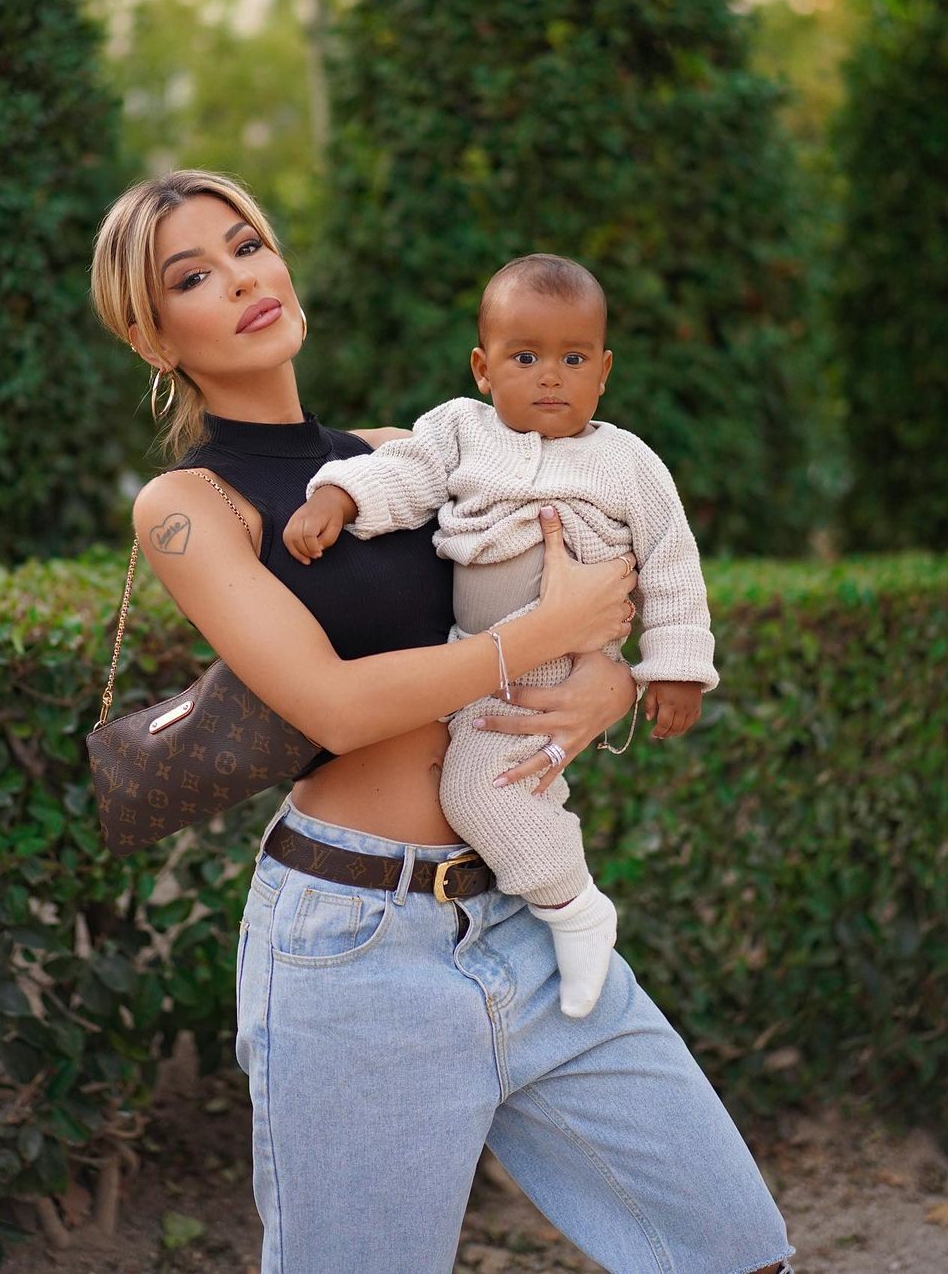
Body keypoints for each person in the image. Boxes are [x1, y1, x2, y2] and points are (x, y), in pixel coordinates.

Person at [90, 169, 795, 1274]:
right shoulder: (187, 506)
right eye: (193, 276)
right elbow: (330, 703)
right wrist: (540, 633)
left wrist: (611, 682)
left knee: (738, 1250)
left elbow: (571, 595)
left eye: (248, 246)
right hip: (354, 945)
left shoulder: (409, 450)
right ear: (151, 335)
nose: (242, 279)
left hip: (521, 909)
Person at [283, 254, 718, 1020]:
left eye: (573, 359)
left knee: (477, 790)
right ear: (483, 369)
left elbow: (671, 561)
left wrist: (676, 666)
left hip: (556, 676)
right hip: (471, 662)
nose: (550, 376)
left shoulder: (627, 462)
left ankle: (573, 908)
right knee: (482, 785)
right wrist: (340, 498)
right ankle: (532, 893)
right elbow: (406, 471)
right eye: (525, 358)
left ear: (604, 372)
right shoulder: (460, 431)